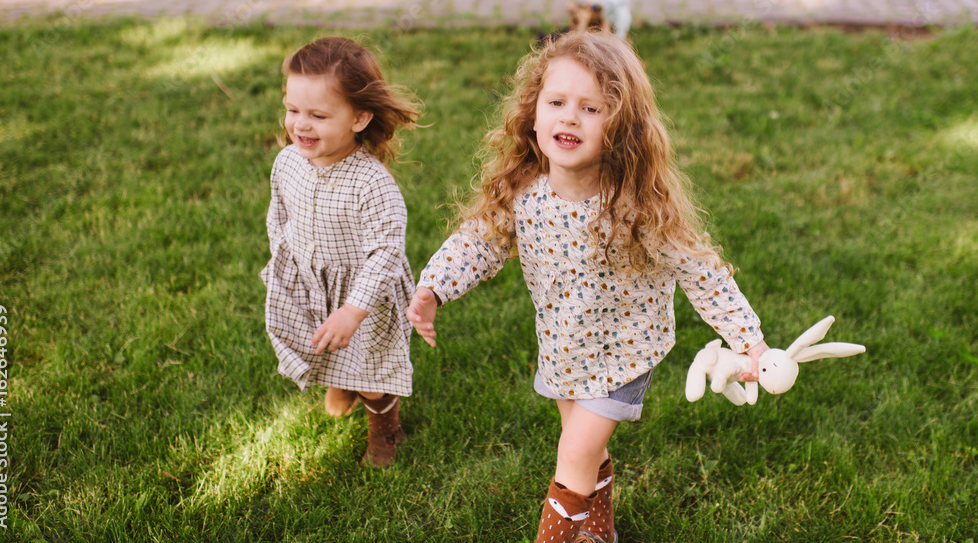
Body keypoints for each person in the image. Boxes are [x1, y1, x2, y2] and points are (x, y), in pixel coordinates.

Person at [407, 31, 768, 542]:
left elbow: (700, 271)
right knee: (584, 450)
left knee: (574, 454)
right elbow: (478, 243)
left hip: (626, 349)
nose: (570, 117)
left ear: (621, 128)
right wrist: (433, 289)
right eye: (556, 102)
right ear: (533, 115)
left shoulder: (636, 206)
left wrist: (750, 341)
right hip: (564, 347)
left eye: (591, 108)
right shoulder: (523, 194)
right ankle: (598, 533)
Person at [259, 36, 421, 468]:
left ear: (359, 118)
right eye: (293, 110)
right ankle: (340, 378)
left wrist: (352, 311)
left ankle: (385, 429)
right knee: (323, 344)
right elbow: (280, 214)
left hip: (363, 295)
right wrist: (284, 262)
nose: (301, 125)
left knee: (370, 369)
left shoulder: (372, 184)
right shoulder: (288, 162)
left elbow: (386, 253)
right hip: (312, 282)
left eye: (318, 115)